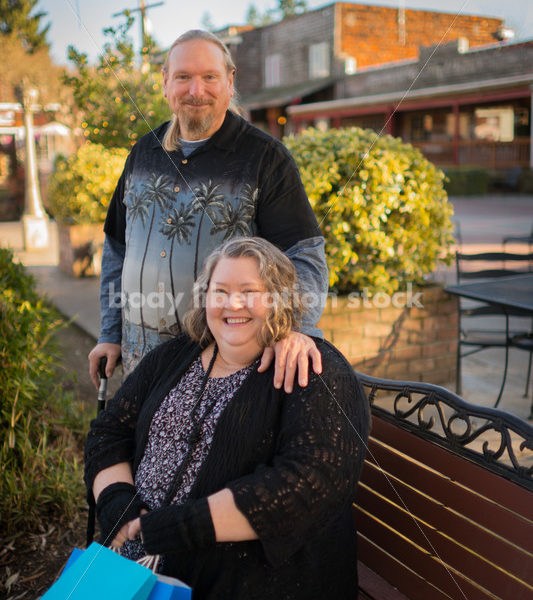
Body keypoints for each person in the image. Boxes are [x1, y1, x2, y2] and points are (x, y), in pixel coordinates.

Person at [85, 237, 370, 600]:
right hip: (136, 570)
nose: (232, 303)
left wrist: (176, 528)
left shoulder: (314, 371)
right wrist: (118, 506)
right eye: (220, 291)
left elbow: (307, 484)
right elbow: (108, 432)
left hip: (240, 582)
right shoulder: (175, 356)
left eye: (249, 291)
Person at [88, 29, 329, 393]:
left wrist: (296, 331)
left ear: (230, 83)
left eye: (209, 77)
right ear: (165, 83)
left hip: (223, 375)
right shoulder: (141, 153)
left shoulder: (265, 158)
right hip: (139, 370)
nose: (196, 90)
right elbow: (116, 250)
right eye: (183, 77)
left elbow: (305, 257)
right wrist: (110, 333)